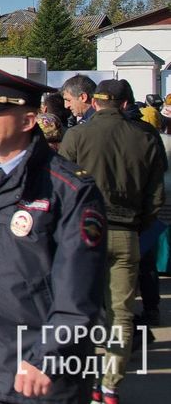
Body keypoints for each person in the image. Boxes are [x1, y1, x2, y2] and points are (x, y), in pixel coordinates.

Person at [0, 63, 106, 404]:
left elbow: (78, 289)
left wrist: (49, 357)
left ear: (28, 121)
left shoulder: (69, 188)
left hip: (37, 364)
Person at [57, 78, 165, 404]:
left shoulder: (76, 135)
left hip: (83, 234)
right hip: (127, 232)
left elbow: (59, 187)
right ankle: (110, 384)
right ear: (124, 103)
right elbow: (156, 196)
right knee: (121, 312)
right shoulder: (147, 137)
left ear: (94, 102)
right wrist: (136, 225)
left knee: (83, 310)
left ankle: (87, 378)